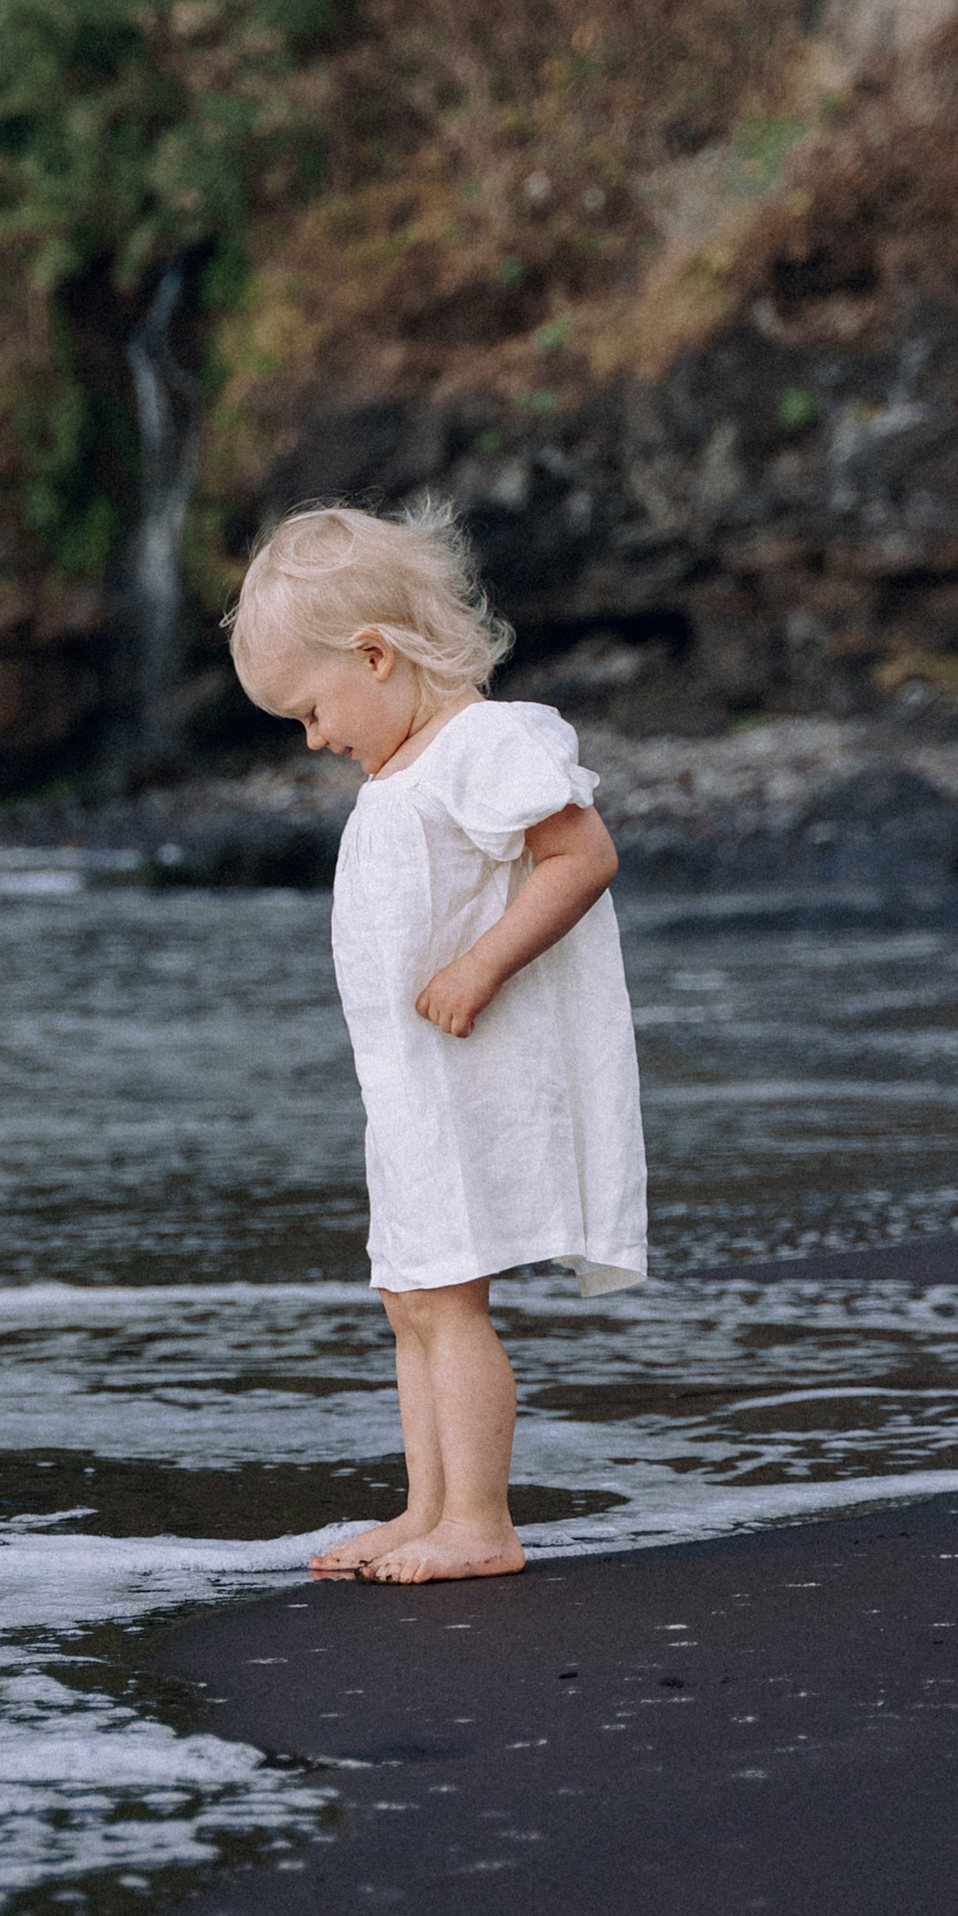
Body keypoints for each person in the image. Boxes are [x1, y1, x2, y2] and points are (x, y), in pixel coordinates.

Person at [228, 499, 644, 1584]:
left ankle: (482, 1523)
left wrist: (482, 963)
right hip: (408, 1088)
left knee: (451, 1300)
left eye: (312, 711)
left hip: (475, 1081)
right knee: (410, 1296)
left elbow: (580, 854)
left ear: (374, 655)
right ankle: (428, 1507)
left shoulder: (479, 745)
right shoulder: (403, 771)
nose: (314, 738)